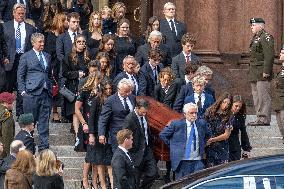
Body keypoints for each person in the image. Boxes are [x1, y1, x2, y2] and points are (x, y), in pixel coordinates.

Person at [17, 32, 52, 152]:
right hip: (31, 94)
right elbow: (20, 76)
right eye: (40, 42)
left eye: (43, 41)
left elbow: (49, 74)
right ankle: (28, 148)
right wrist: (22, 92)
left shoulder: (47, 56)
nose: (42, 44)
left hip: (45, 93)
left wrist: (50, 88)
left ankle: (44, 148)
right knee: (30, 122)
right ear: (33, 43)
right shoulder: (26, 56)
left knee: (44, 123)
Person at [160, 103, 211, 180]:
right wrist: (173, 146)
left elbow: (208, 135)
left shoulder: (201, 123)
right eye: (191, 113)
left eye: (195, 113)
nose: (194, 115)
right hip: (181, 161)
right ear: (185, 114)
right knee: (182, 185)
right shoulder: (176, 124)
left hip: (197, 161)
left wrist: (203, 144)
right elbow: (163, 135)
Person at [3, 3, 35, 116]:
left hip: (24, 59)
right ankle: (7, 112)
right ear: (13, 13)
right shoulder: (5, 26)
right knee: (7, 87)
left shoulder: (30, 28)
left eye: (23, 13)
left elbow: (32, 46)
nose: (21, 15)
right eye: (19, 13)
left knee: (22, 87)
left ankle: (20, 113)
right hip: (9, 60)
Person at [123, 99, 157, 189]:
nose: (144, 114)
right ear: (137, 108)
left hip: (147, 150)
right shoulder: (129, 119)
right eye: (142, 112)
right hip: (135, 152)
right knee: (135, 180)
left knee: (153, 173)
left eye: (146, 112)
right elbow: (125, 137)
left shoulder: (144, 116)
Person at [75, 71, 100, 189]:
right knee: (90, 155)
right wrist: (84, 123)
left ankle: (94, 181)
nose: (100, 82)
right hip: (87, 124)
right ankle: (84, 179)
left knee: (96, 154)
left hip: (97, 125)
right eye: (99, 80)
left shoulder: (101, 92)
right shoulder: (85, 91)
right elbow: (77, 109)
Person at [62, 34, 90, 138]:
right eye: (79, 42)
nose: (81, 44)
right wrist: (77, 74)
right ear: (75, 43)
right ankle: (78, 135)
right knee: (75, 110)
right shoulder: (69, 56)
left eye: (83, 42)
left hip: (86, 86)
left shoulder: (88, 56)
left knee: (85, 109)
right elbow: (64, 73)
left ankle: (82, 134)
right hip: (73, 86)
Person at [247, 18, 274, 126]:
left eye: (253, 25)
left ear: (261, 26)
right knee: (256, 96)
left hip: (262, 72)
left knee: (263, 96)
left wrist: (266, 71)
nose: (251, 27)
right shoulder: (256, 37)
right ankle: (259, 117)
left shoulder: (266, 37)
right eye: (251, 25)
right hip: (254, 71)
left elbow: (269, 55)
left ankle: (264, 118)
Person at [88, 80, 114, 189]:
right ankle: (103, 185)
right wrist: (91, 134)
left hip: (110, 132)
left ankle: (112, 185)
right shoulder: (96, 100)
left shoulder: (113, 99)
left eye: (110, 89)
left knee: (109, 161)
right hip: (99, 133)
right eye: (106, 89)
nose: (108, 91)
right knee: (99, 161)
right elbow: (92, 118)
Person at [98, 78, 136, 152]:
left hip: (131, 134)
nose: (128, 93)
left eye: (129, 91)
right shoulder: (111, 100)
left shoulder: (132, 98)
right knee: (118, 158)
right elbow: (103, 118)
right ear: (119, 89)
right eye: (126, 91)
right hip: (117, 135)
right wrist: (101, 134)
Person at [45, 12, 69, 123]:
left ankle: (65, 112)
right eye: (65, 20)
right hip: (54, 65)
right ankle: (55, 111)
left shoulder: (67, 35)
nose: (67, 22)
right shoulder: (50, 35)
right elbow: (49, 53)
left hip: (65, 65)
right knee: (55, 88)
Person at [205, 92, 233, 167]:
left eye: (228, 104)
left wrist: (212, 140)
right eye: (224, 102)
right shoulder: (209, 111)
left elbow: (226, 135)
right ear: (220, 101)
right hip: (209, 146)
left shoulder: (229, 115)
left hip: (222, 146)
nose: (225, 105)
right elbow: (204, 127)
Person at [229, 95, 252, 161]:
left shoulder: (240, 117)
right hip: (224, 145)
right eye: (236, 106)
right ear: (231, 104)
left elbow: (243, 133)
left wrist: (246, 149)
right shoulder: (225, 115)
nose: (238, 108)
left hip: (235, 146)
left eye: (240, 107)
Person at [0, 92, 16, 158]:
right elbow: (7, 135)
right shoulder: (7, 115)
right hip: (2, 148)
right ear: (6, 103)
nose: (13, 104)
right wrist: (10, 154)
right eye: (11, 102)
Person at [273, 49, 284, 143]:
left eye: (283, 53)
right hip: (278, 102)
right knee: (281, 127)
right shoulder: (281, 69)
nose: (280, 54)